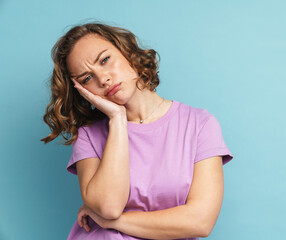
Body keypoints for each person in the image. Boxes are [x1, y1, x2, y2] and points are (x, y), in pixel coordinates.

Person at [41, 22, 233, 240]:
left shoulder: (200, 124)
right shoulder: (88, 136)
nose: (103, 79)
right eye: (87, 78)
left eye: (105, 60)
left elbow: (200, 222)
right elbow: (109, 206)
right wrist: (118, 120)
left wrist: (112, 222)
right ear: (83, 91)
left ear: (128, 53)